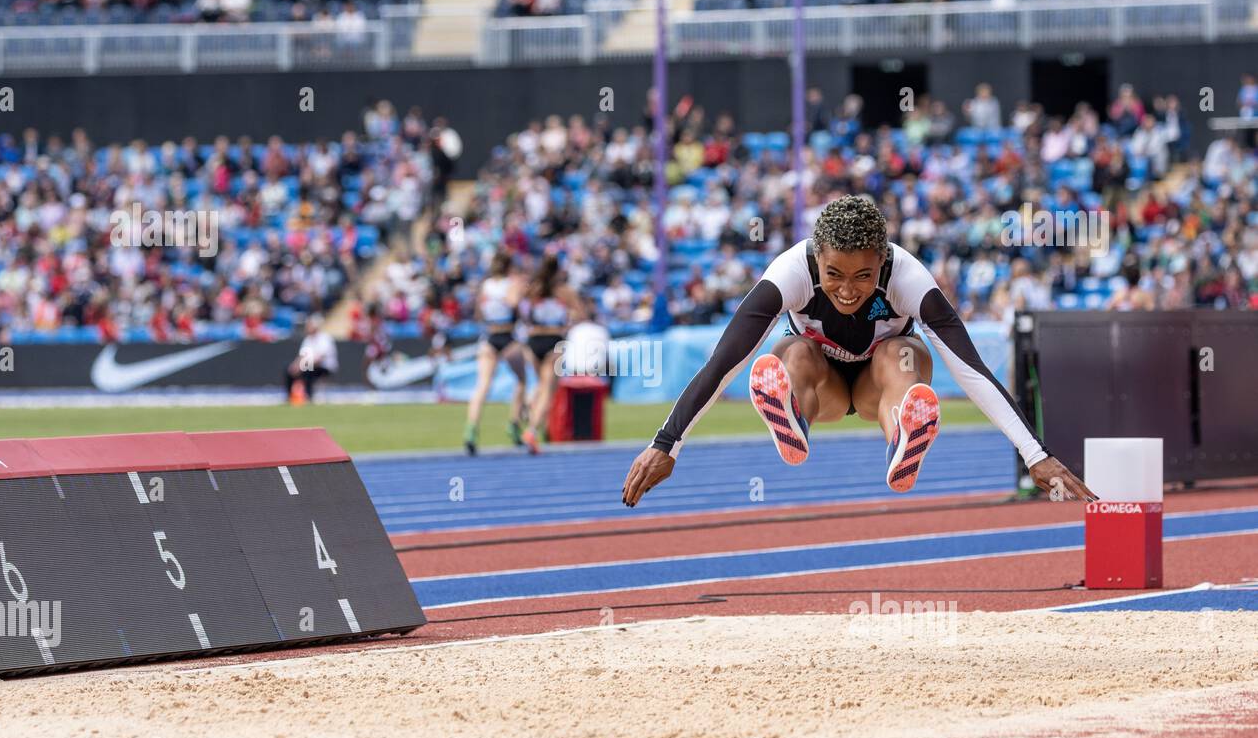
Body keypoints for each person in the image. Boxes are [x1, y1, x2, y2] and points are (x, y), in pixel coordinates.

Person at [621, 196, 1095, 506]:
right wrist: (667, 444)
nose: (847, 290)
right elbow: (726, 362)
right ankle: (792, 416)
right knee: (791, 352)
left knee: (906, 353)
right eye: (834, 275)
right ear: (817, 257)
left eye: (863, 276)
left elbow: (971, 369)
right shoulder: (789, 271)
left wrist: (1035, 454)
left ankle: (902, 437)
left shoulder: (908, 278)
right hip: (821, 384)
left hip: (878, 386)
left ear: (883, 261)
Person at [519, 253, 585, 454]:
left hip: (533, 340)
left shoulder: (534, 289)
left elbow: (522, 310)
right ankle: (531, 431)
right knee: (548, 391)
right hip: (553, 342)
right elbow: (581, 315)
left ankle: (529, 404)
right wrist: (567, 317)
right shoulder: (565, 291)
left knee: (541, 385)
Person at [464, 252, 528, 455]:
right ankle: (514, 425)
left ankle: (471, 430)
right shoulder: (512, 284)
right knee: (521, 381)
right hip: (507, 336)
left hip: (490, 336)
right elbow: (516, 306)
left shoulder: (486, 285)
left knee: (482, 385)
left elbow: (478, 314)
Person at [284, 314, 338, 404]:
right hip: (310, 365)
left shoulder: (324, 338)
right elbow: (302, 356)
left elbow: (319, 358)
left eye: (309, 325)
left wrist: (301, 367)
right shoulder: (308, 339)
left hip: (325, 367)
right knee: (289, 370)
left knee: (308, 371)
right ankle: (289, 397)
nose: (307, 327)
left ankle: (309, 396)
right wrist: (295, 366)